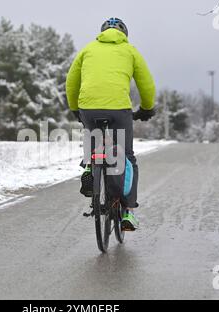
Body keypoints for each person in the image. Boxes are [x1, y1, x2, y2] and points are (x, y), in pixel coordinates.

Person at [66, 17, 156, 231]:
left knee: (94, 138)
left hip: (88, 107)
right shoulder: (130, 50)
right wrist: (146, 108)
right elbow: (146, 84)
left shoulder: (88, 49)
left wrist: (74, 108)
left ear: (102, 32)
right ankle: (128, 211)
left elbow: (71, 81)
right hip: (118, 110)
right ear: (124, 34)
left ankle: (90, 167)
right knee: (126, 156)